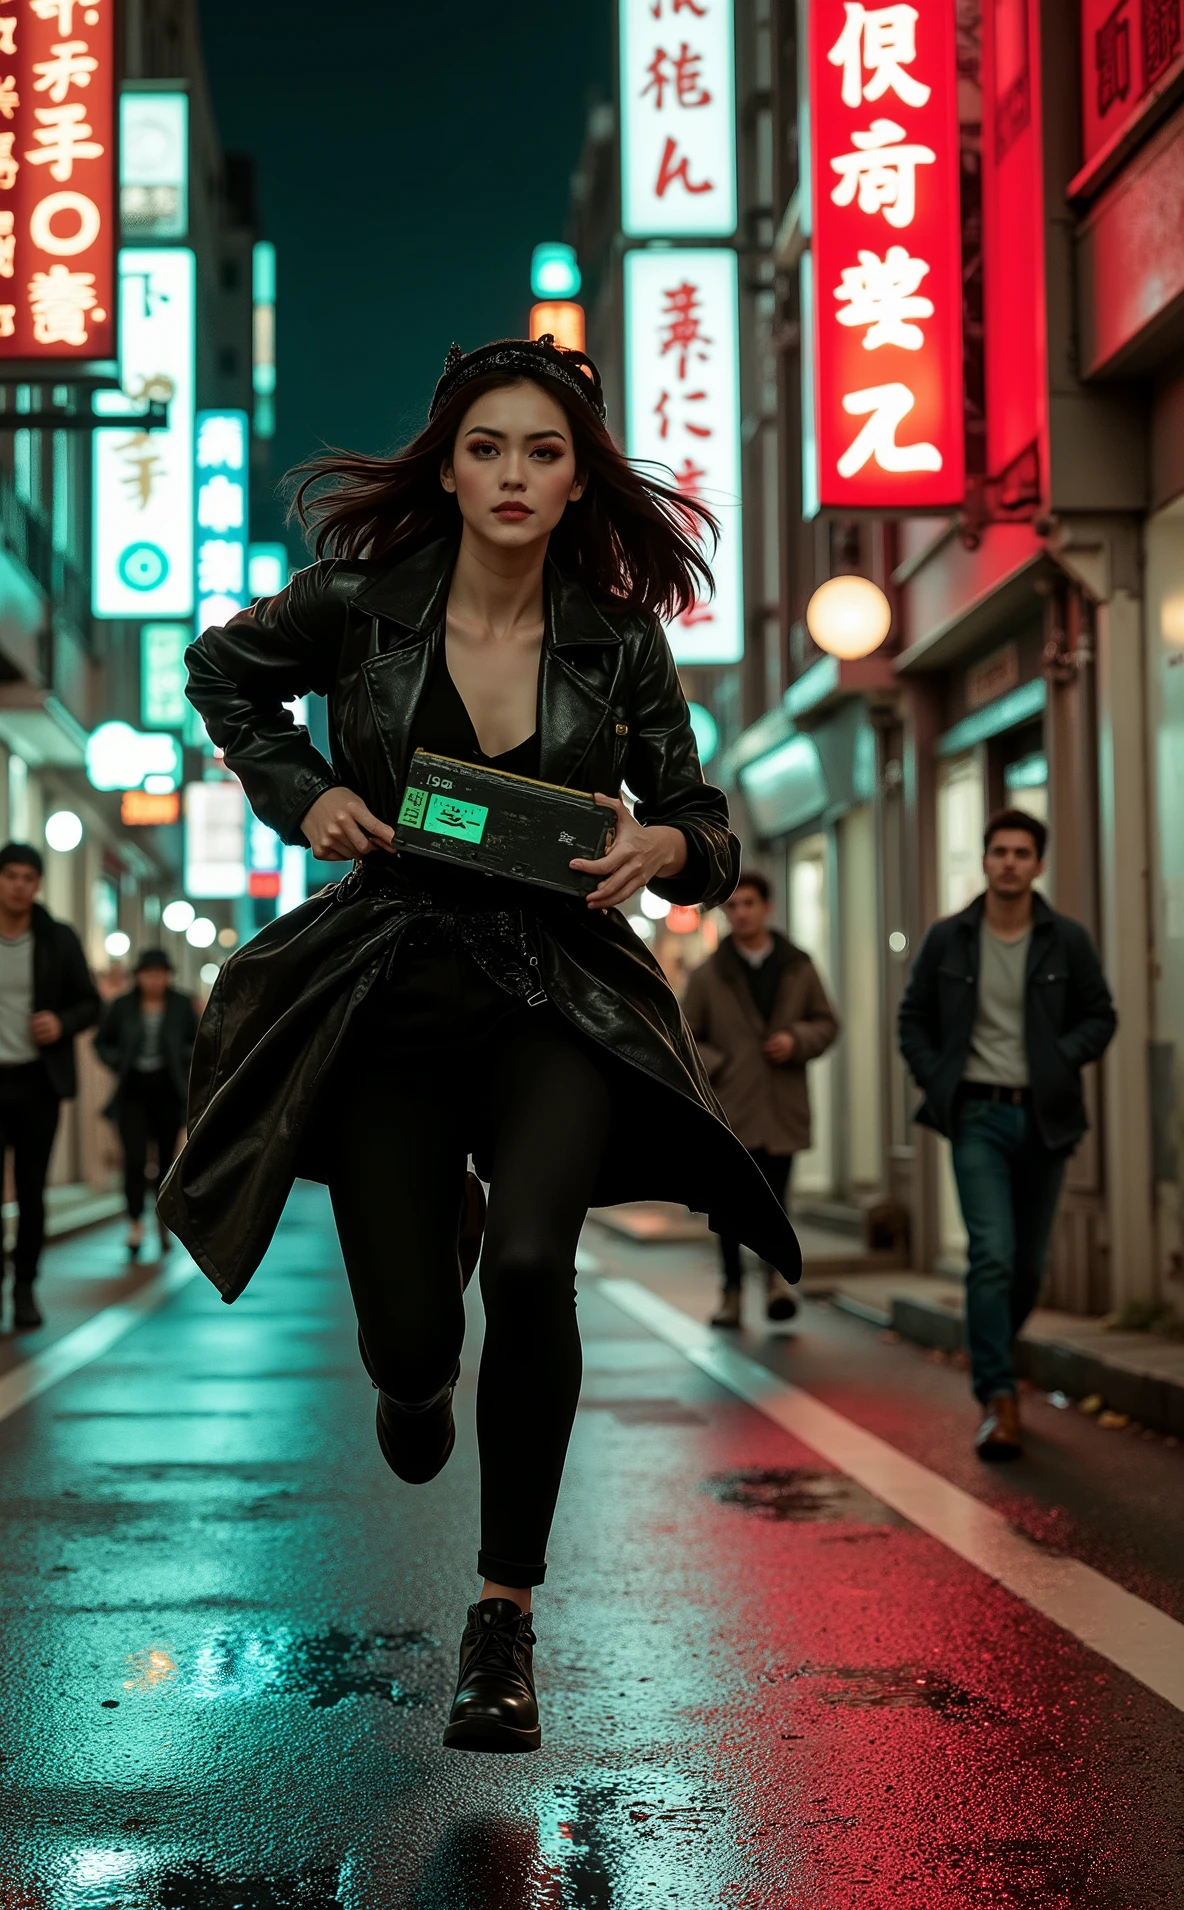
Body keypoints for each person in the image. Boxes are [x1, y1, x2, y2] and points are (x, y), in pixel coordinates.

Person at [159, 334, 800, 1753]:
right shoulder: (356, 605)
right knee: (408, 1332)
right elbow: (222, 674)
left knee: (530, 1263)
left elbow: (703, 819)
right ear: (448, 468)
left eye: (546, 452)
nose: (515, 475)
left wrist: (661, 842)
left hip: (555, 996)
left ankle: (503, 1616)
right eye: (489, 448)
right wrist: (303, 792)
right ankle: (413, 1357)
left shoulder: (617, 640)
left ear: (580, 483)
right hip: (387, 992)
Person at [898, 808, 1116, 1460]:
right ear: (986, 860)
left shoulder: (1065, 940)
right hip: (977, 1117)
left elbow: (1100, 1016)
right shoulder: (950, 940)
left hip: (1045, 1119)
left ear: (1038, 864)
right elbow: (913, 1020)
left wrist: (1058, 1057)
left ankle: (993, 1348)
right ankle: (998, 1396)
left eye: (1022, 853)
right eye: (1000, 852)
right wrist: (941, 1078)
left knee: (1028, 1267)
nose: (1010, 862)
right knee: (991, 1253)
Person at [683, 870, 839, 1328]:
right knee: (728, 1207)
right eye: (733, 906)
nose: (741, 913)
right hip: (732, 1107)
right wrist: (722, 1063)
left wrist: (796, 1039)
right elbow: (685, 1035)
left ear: (767, 907)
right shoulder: (710, 974)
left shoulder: (798, 966)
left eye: (749, 903)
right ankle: (731, 1292)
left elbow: (827, 1023)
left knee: (778, 1200)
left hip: (782, 1104)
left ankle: (773, 1284)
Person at [0, 841, 100, 1329]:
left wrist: (61, 1023)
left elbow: (90, 1003)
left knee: (32, 1190)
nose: (19, 885)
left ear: (37, 885)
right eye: (10, 875)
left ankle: (24, 1288)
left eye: (27, 878)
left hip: (37, 1082)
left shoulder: (57, 939)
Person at [95, 948, 197, 1259]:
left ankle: (163, 1223)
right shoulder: (123, 1005)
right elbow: (102, 1041)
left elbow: (198, 1039)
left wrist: (182, 1059)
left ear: (168, 975)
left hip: (168, 1089)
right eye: (148, 972)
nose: (154, 979)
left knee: (167, 1162)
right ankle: (135, 1223)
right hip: (132, 1091)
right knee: (135, 1159)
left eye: (160, 973)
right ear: (138, 975)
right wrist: (116, 1061)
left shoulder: (181, 1004)